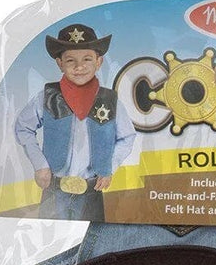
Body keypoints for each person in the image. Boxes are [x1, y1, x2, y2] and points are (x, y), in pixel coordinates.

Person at [15, 24, 136, 221]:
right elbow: (24, 127)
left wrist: (109, 166)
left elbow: (127, 136)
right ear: (59, 63)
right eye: (70, 60)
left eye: (87, 59)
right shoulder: (48, 97)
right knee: (50, 233)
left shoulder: (109, 100)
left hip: (91, 190)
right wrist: (40, 164)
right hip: (54, 189)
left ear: (99, 61)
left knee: (93, 235)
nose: (79, 67)